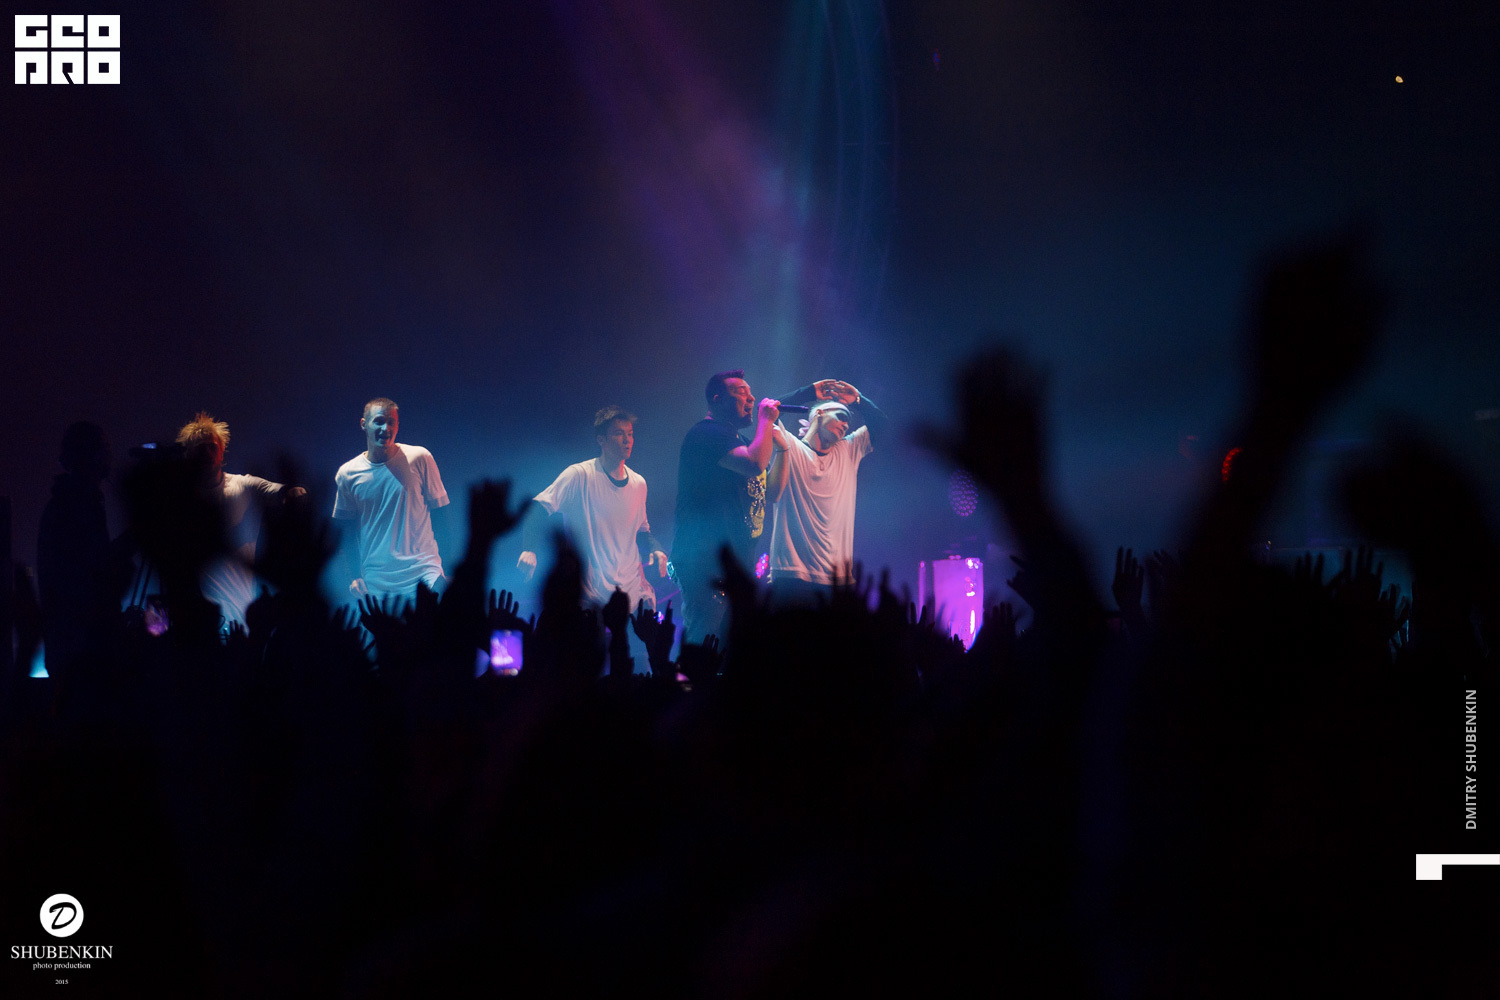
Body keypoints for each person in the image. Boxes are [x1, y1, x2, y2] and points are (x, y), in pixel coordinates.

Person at [517, 406, 667, 613]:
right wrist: (529, 549)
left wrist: (656, 548)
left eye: (630, 434)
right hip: (591, 598)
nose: (627, 440)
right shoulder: (579, 475)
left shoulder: (639, 483)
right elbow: (537, 508)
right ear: (601, 440)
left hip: (632, 595)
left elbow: (641, 530)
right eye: (619, 433)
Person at [671, 370, 782, 642]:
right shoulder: (706, 434)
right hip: (705, 562)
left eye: (751, 392)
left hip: (735, 562)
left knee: (732, 647)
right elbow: (754, 463)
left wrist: (784, 450)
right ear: (717, 399)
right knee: (706, 643)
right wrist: (766, 421)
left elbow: (773, 491)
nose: (751, 398)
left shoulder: (742, 442)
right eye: (741, 392)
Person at [176, 412, 306, 632]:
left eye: (212, 447)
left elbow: (280, 490)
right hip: (198, 620)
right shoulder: (181, 499)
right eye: (200, 449)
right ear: (190, 456)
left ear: (221, 451)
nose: (207, 454)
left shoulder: (242, 485)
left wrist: (294, 493)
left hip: (241, 612)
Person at [766, 379, 888, 606]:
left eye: (848, 421)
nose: (846, 425)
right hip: (792, 573)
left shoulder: (848, 450)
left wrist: (858, 401)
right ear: (819, 414)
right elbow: (768, 410)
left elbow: (884, 427)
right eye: (841, 416)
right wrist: (809, 392)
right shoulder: (789, 445)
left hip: (838, 580)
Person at [333, 397, 449, 599]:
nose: (385, 428)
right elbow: (346, 532)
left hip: (425, 575)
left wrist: (447, 566)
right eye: (379, 421)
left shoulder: (420, 458)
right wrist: (354, 576)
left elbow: (441, 516)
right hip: (377, 583)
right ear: (364, 424)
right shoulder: (348, 473)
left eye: (391, 422)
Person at [36, 421, 112, 676]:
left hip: (68, 646)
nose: (108, 455)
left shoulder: (65, 503)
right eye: (103, 447)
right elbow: (93, 573)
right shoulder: (78, 506)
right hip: (81, 650)